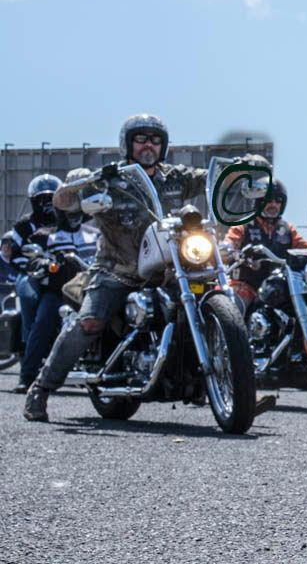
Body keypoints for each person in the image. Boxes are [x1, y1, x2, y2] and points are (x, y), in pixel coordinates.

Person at [25, 114, 216, 421]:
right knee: (89, 322)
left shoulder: (175, 177)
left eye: (155, 140)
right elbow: (63, 201)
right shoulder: (110, 180)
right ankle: (41, 387)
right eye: (141, 139)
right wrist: (83, 181)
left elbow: (211, 177)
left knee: (211, 294)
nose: (148, 145)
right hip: (118, 269)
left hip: (168, 269)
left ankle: (230, 380)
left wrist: (243, 168)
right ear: (127, 144)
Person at [16, 171, 100, 394]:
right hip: (59, 291)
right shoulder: (46, 234)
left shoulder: (96, 233)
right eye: (70, 203)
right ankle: (28, 376)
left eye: (78, 203)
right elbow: (32, 259)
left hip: (90, 288)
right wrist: (44, 263)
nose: (74, 209)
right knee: (43, 320)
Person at [3, 174, 62, 384]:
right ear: (33, 201)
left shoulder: (64, 221)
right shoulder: (24, 225)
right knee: (29, 294)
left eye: (51, 198)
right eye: (42, 199)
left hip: (59, 274)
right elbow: (9, 251)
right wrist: (29, 265)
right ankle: (30, 341)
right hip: (31, 274)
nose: (46, 204)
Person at [224, 180, 307, 306]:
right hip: (246, 286)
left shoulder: (287, 229)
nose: (274, 204)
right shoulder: (243, 226)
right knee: (236, 306)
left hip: (277, 286)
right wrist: (231, 251)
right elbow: (229, 244)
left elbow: (304, 246)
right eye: (269, 200)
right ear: (259, 201)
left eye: (278, 201)